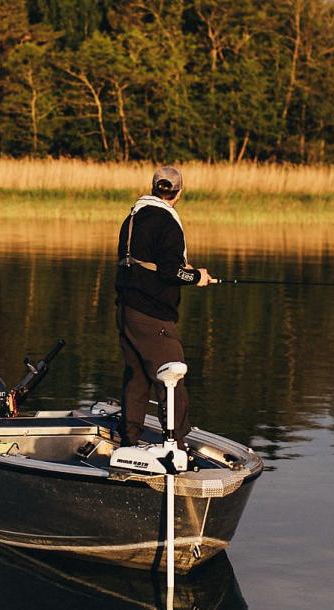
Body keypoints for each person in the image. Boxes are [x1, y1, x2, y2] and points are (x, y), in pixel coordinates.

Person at [114, 166, 213, 448]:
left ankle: (130, 443)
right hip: (152, 315)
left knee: (136, 379)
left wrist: (184, 270)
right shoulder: (167, 223)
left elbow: (150, 261)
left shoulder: (133, 217)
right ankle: (177, 447)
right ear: (178, 192)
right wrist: (196, 277)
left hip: (126, 311)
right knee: (172, 379)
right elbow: (170, 273)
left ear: (154, 188)